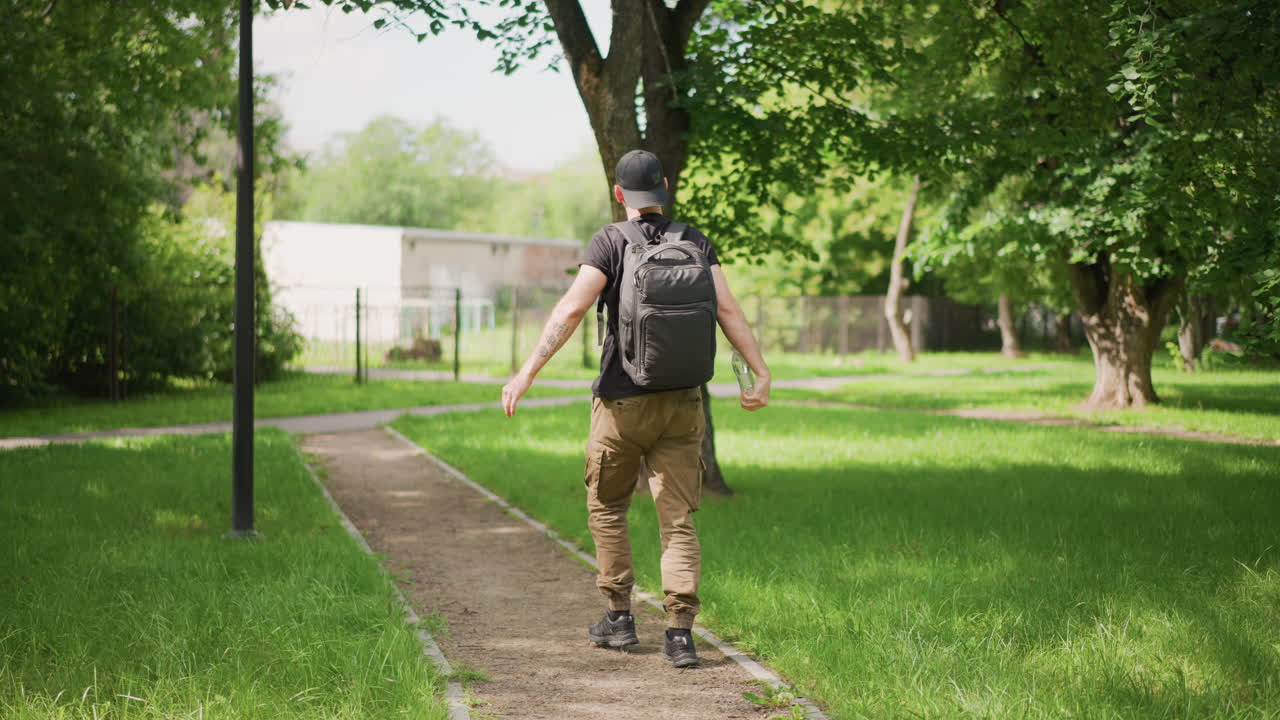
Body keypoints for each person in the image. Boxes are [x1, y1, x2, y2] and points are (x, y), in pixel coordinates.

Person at [501, 149, 770, 668]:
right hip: (682, 405)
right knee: (678, 519)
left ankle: (620, 619)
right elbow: (728, 310)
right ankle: (680, 634)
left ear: (619, 193)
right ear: (664, 187)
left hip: (621, 404)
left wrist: (526, 372)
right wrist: (759, 372)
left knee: (607, 506)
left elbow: (573, 307)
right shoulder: (695, 240)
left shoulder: (609, 242)